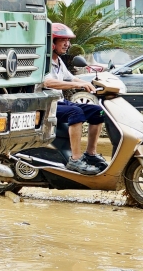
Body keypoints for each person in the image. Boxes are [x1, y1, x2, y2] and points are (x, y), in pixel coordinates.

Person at [41, 23, 104, 175]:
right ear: (52, 43)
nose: (67, 44)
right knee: (75, 113)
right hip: (47, 104)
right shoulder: (44, 60)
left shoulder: (58, 61)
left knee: (98, 112)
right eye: (62, 40)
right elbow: (47, 82)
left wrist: (87, 84)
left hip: (60, 102)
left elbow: (71, 78)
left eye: (68, 41)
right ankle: (75, 160)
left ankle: (90, 154)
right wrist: (75, 86)